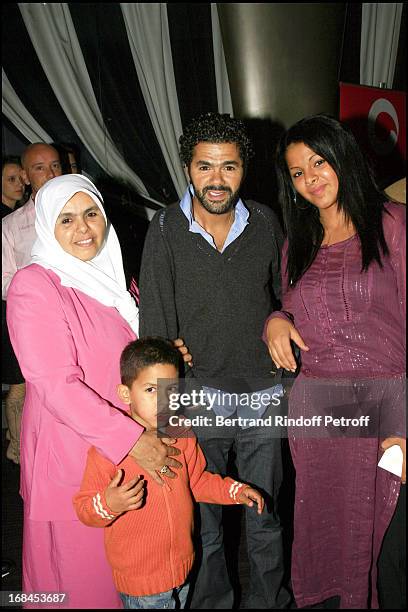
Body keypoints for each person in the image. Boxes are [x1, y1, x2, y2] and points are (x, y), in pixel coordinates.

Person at [6, 174, 191, 609]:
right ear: (46, 225)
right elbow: (54, 384)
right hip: (75, 458)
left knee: (128, 579)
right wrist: (132, 441)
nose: (83, 228)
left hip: (122, 458)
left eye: (91, 213)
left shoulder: (117, 283)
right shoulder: (35, 285)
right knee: (81, 588)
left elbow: (123, 359)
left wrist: (164, 354)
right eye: (66, 219)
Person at [138, 112, 291, 609]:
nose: (217, 179)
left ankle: (271, 603)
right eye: (205, 166)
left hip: (262, 397)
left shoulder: (267, 222)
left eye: (229, 167)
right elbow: (154, 328)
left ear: (244, 169)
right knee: (203, 522)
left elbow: (287, 295)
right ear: (188, 168)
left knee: (264, 517)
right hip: (197, 400)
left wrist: (280, 318)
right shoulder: (163, 228)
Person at [264, 114, 406, 609]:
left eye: (318, 162)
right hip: (320, 413)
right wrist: (275, 319)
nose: (310, 179)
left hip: (387, 409)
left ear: (342, 157)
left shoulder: (394, 223)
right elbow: (292, 306)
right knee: (327, 540)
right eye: (297, 172)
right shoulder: (294, 244)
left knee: (390, 553)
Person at [74, 336, 264, 609]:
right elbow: (84, 508)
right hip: (142, 583)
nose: (164, 402)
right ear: (126, 394)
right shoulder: (108, 450)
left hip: (183, 567)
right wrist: (109, 503)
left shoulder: (180, 431)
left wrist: (235, 490)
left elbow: (197, 482)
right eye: (151, 390)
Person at [2, 145, 62, 465]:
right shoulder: (11, 226)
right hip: (37, 329)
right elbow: (4, 282)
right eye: (40, 168)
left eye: (56, 165)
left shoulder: (85, 212)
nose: (51, 173)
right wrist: (42, 291)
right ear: (25, 176)